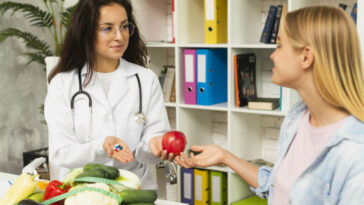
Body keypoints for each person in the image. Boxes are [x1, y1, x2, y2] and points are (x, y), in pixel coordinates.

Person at [176, 6, 364, 204]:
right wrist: (225, 157)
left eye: (280, 46)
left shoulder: (355, 152)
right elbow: (276, 187)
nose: (273, 55)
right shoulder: (297, 119)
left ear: (306, 57)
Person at [45, 0, 174, 191]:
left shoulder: (145, 79)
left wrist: (156, 146)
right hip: (82, 190)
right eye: (107, 28)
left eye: (124, 26)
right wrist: (102, 147)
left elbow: (149, 144)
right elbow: (60, 153)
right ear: (86, 33)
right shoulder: (63, 84)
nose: (119, 36)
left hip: (134, 190)